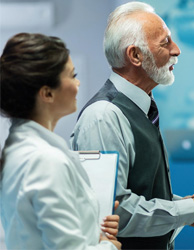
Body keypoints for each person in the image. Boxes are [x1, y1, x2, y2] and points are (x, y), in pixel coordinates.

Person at [70, 2, 194, 250]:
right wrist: (189, 210)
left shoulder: (142, 108)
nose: (177, 50)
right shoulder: (104, 116)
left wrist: (189, 208)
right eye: (165, 42)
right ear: (135, 55)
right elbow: (115, 211)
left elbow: (141, 194)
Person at [0, 33, 121, 250]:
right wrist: (108, 247)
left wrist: (91, 221)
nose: (78, 82)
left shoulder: (19, 150)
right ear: (47, 93)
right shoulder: (46, 160)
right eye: (72, 75)